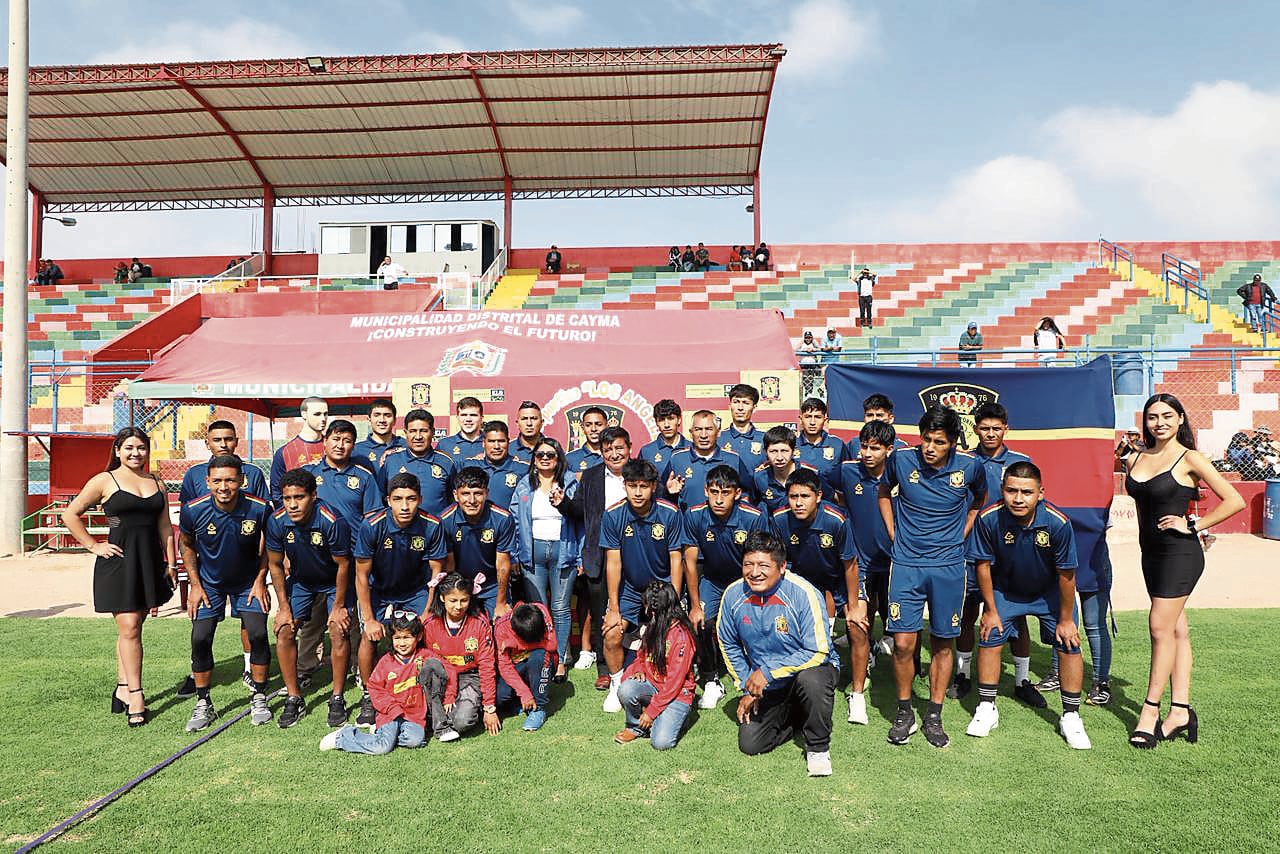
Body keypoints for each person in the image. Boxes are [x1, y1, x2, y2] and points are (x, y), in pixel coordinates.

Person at [1120, 393, 1244, 748]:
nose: (1159, 422)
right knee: (1176, 629)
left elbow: (1233, 499)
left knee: (1159, 626)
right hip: (1151, 553)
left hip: (1181, 553)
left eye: (1167, 416)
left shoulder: (1191, 458)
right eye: (1152, 416)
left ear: (1180, 420)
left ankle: (1149, 712)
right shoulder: (1138, 456)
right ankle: (1181, 710)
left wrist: (1194, 525)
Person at [878, 406, 986, 747]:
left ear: (952, 442)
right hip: (907, 564)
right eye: (926, 439)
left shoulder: (970, 467)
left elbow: (978, 500)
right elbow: (883, 492)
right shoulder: (902, 461)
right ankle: (905, 711)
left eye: (939, 441)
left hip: (949, 567)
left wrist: (963, 531)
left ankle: (934, 715)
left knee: (942, 642)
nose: (930, 447)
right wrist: (893, 532)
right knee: (903, 643)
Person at [965, 462, 1092, 749]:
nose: (1018, 498)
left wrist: (1066, 619)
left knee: (1069, 643)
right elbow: (982, 566)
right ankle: (987, 708)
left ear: (1040, 493)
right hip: (1005, 590)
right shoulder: (988, 518)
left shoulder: (1058, 523)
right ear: (1003, 490)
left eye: (1026, 492)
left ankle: (1071, 716)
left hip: (1049, 593)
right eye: (1011, 491)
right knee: (989, 635)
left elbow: (1067, 574)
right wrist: (991, 610)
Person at [62, 427, 175, 728]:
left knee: (132, 628)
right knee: (129, 626)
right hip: (118, 561)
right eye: (129, 447)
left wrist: (171, 564)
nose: (135, 453)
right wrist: (92, 545)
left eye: (141, 447)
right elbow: (71, 514)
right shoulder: (104, 480)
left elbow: (164, 526)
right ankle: (136, 695)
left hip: (150, 562)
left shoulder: (157, 483)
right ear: (117, 450)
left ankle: (122, 687)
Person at [718, 531, 838, 777]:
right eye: (748, 564)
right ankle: (798, 715)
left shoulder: (804, 593)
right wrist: (747, 686)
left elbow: (818, 651)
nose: (754, 572)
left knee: (812, 681)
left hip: (809, 670)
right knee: (751, 744)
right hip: (769, 684)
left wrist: (767, 671)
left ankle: (817, 747)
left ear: (782, 566)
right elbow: (727, 643)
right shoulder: (732, 595)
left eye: (763, 565)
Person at [952, 403, 1041, 707]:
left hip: (1009, 555)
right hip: (968, 553)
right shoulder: (961, 462)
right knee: (966, 615)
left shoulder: (1021, 463)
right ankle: (963, 674)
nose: (990, 433)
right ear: (975, 428)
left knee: (1017, 618)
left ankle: (1022, 680)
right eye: (984, 428)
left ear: (1006, 428)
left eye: (996, 428)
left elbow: (1032, 507)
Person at [178, 455, 274, 731]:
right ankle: (203, 702)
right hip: (210, 584)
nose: (224, 486)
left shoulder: (259, 508)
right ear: (207, 482)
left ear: (241, 481)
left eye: (230, 480)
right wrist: (195, 585)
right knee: (200, 637)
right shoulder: (194, 509)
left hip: (247, 583)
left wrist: (260, 579)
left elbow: (271, 545)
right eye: (217, 480)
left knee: (257, 633)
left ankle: (258, 695)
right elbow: (186, 545)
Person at [770, 468, 869, 724]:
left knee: (857, 625)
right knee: (788, 626)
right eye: (793, 496)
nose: (799, 502)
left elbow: (850, 565)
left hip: (840, 577)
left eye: (805, 496)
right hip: (804, 580)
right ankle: (793, 682)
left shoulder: (837, 520)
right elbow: (781, 564)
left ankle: (857, 693)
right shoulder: (780, 519)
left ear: (819, 496)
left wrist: (853, 605)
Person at [353, 472, 449, 726]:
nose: (405, 506)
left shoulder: (432, 525)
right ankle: (368, 693)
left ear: (420, 499)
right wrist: (370, 618)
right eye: (398, 499)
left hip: (415, 591)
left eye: (411, 499)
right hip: (380, 591)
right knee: (368, 637)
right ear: (387, 500)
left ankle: (425, 693)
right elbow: (361, 576)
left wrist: (428, 610)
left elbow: (436, 573)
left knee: (426, 633)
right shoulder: (371, 526)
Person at [599, 459, 689, 714]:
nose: (638, 492)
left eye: (644, 486)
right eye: (632, 486)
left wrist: (673, 598)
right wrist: (614, 607)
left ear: (653, 487)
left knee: (670, 636)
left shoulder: (669, 513)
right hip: (630, 588)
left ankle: (673, 681)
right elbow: (613, 563)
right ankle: (616, 685)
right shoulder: (613, 514)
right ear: (624, 485)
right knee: (612, 633)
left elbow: (676, 559)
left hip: (662, 588)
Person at [265, 469, 353, 728]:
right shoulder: (277, 520)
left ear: (313, 496)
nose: (292, 504)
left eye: (299, 497)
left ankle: (337, 697)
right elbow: (275, 564)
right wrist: (282, 607)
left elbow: (343, 565)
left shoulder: (332, 520)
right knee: (283, 630)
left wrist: (337, 606)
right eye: (287, 498)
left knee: (338, 630)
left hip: (333, 581)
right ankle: (294, 697)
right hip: (303, 582)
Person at [682, 465, 769, 710]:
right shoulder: (695, 515)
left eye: (726, 493)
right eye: (713, 492)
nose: (719, 499)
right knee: (700, 620)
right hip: (712, 580)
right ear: (705, 491)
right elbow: (690, 562)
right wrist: (694, 604)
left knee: (756, 623)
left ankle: (757, 670)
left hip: (746, 582)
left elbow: (761, 562)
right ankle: (711, 679)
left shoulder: (753, 517)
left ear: (738, 493)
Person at [557, 426, 632, 689]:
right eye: (608, 449)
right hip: (598, 554)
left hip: (635, 551)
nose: (614, 454)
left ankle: (636, 663)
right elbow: (579, 509)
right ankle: (604, 667)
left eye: (619, 448)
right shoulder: (590, 476)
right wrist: (562, 503)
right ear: (601, 452)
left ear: (629, 448)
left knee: (637, 609)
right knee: (602, 611)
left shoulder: (639, 472)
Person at [510, 438, 579, 681]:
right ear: (534, 459)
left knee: (560, 608)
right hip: (532, 553)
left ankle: (560, 660)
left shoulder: (570, 482)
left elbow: (579, 521)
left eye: (551, 454)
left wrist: (579, 554)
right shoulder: (523, 485)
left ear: (559, 457)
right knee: (538, 609)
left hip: (563, 551)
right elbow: (515, 522)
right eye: (540, 455)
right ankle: (542, 657)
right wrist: (515, 554)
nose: (546, 458)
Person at [320, 612, 428, 754]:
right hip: (390, 713)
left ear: (418, 637)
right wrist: (392, 708)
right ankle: (344, 736)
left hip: (413, 715)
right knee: (383, 747)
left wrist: (449, 697)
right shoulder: (386, 662)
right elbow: (374, 687)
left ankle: (382, 733)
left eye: (407, 637)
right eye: (397, 638)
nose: (402, 643)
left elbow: (447, 669)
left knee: (416, 741)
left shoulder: (425, 656)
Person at [615, 582, 698, 749]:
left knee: (661, 743)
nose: (645, 611)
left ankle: (679, 716)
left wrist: (651, 712)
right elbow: (641, 655)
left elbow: (674, 683)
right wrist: (638, 669)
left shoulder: (682, 637)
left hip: (677, 694)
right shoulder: (654, 624)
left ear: (655, 610)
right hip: (654, 685)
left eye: (647, 607)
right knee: (626, 689)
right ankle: (636, 727)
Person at [839, 421, 895, 667]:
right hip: (860, 561)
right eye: (864, 447)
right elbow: (825, 490)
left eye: (875, 448)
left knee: (892, 614)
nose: (868, 453)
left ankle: (908, 663)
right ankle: (866, 652)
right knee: (860, 615)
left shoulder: (900, 474)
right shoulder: (847, 471)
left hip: (894, 560)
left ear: (889, 450)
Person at [421, 573, 501, 741]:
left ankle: (442, 719)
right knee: (429, 666)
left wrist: (489, 708)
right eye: (453, 600)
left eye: (464, 600)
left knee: (462, 722)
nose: (458, 606)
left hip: (470, 676)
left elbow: (486, 666)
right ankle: (437, 719)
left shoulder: (480, 623)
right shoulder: (430, 624)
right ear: (442, 598)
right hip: (441, 677)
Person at [439, 466, 517, 618]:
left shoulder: (502, 518)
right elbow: (449, 566)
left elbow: (502, 565)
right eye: (466, 494)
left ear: (486, 493)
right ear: (456, 495)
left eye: (478, 494)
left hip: (492, 584)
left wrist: (500, 603)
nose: (472, 500)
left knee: (501, 625)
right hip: (460, 584)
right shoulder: (445, 520)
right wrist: (457, 594)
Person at [661, 409, 756, 512]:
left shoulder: (733, 459)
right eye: (698, 429)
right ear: (691, 433)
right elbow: (661, 495)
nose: (703, 435)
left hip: (724, 526)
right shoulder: (677, 459)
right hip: (688, 525)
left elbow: (748, 492)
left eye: (709, 429)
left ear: (718, 432)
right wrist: (668, 493)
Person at [306, 419, 384, 531]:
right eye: (336, 439)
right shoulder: (309, 473)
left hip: (354, 546)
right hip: (317, 544)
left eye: (347, 441)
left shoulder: (365, 477)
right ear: (325, 441)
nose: (340, 446)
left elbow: (373, 520)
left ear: (353, 446)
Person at [377, 408, 455, 517]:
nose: (418, 437)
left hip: (437, 531)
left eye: (423, 431)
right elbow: (380, 499)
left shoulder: (446, 462)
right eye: (413, 431)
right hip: (401, 531)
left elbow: (455, 500)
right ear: (406, 433)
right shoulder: (391, 461)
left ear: (432, 432)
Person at [494, 602, 558, 731]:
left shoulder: (540, 611)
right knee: (500, 698)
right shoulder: (501, 627)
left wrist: (517, 645)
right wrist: (524, 693)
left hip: (538, 664)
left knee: (540, 656)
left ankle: (539, 708)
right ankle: (522, 702)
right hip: (515, 668)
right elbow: (505, 667)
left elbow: (552, 645)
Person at [179, 420, 268, 504]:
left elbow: (264, 508)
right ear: (207, 444)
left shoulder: (253, 472)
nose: (223, 445)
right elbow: (186, 512)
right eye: (217, 440)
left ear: (236, 442)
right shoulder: (194, 473)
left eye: (228, 439)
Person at [270, 396, 329, 506]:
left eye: (325, 414)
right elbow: (277, 493)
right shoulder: (285, 452)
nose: (323, 418)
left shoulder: (334, 448)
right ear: (304, 414)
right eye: (317, 414)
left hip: (330, 516)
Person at [753, 426, 817, 514]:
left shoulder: (812, 473)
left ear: (794, 451)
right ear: (765, 452)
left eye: (784, 451)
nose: (779, 457)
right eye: (773, 451)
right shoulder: (759, 477)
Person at [795, 397, 847, 497]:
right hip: (799, 502)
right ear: (801, 419)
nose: (812, 422)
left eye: (817, 417)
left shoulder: (837, 444)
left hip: (828, 503)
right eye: (808, 416)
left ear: (825, 419)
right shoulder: (791, 444)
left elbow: (846, 477)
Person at [472, 420, 528, 509]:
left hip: (510, 522)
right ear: (483, 443)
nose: (497, 446)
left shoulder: (523, 469)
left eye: (501, 441)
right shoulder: (469, 466)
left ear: (508, 442)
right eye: (491, 441)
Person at [352, 398, 405, 479]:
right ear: (369, 419)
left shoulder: (407, 446)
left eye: (387, 415)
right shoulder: (356, 451)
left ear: (394, 420)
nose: (382, 420)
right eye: (377, 415)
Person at [844, 393, 909, 456]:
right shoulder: (854, 443)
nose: (874, 419)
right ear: (864, 418)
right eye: (870, 415)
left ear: (890, 419)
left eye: (879, 415)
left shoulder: (901, 447)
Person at [722, 383, 767, 471]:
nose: (740, 408)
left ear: (754, 408)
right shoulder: (718, 438)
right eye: (736, 402)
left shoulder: (765, 438)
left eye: (746, 403)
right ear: (730, 406)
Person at [638, 398, 689, 467]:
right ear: (656, 422)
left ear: (679, 420)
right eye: (661, 420)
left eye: (671, 418)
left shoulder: (693, 448)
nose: (666, 425)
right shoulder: (646, 452)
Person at [437, 397, 485, 462]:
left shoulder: (493, 444)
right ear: (457, 418)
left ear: (481, 419)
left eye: (473, 415)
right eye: (464, 415)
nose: (468, 419)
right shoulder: (444, 445)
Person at [566, 405, 608, 474]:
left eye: (599, 424)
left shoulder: (615, 457)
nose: (593, 429)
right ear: (583, 428)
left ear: (606, 426)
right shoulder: (570, 459)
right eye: (588, 425)